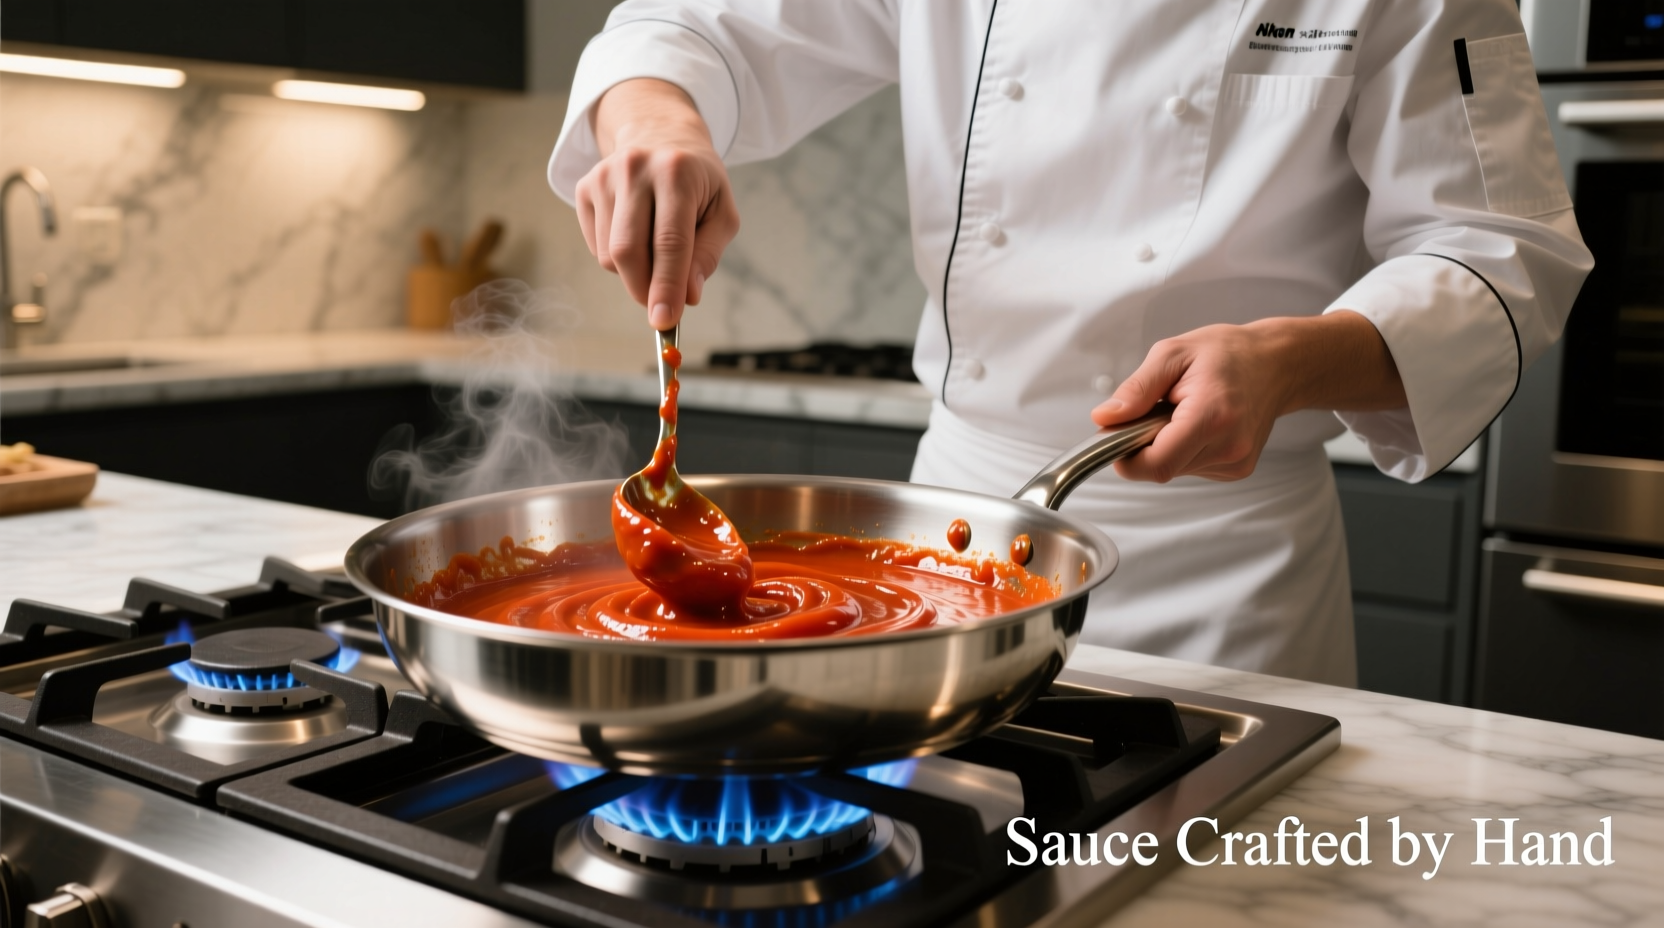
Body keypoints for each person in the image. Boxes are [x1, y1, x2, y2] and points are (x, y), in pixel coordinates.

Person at [546, 1, 1593, 685]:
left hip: (1225, 577)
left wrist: (1288, 362)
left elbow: (1503, 252)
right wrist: (657, 125)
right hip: (954, 535)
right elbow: (691, 27)